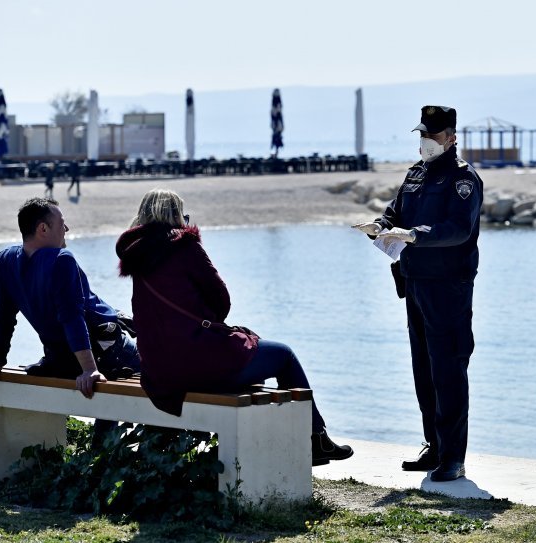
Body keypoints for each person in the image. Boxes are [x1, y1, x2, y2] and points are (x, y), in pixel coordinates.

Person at [115, 189, 353, 466]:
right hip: (198, 365)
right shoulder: (184, 246)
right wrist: (207, 318)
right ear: (176, 216)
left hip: (160, 373)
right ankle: (316, 438)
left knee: (250, 352)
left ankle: (306, 439)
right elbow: (221, 299)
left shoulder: (136, 257)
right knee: (283, 355)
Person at [353, 105, 483, 482]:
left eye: (433, 136)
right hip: (414, 282)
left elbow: (458, 228)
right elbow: (396, 212)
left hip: (448, 287)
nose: (425, 142)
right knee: (424, 369)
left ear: (451, 138)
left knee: (449, 369)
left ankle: (453, 457)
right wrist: (381, 225)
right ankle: (434, 445)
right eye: (422, 135)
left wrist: (416, 235)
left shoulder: (463, 180)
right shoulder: (415, 174)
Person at [0, 197, 140, 441]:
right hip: (105, 350)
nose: (66, 229)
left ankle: (102, 453)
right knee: (159, 377)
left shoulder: (6, 260)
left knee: (121, 327)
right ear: (43, 229)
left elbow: (2, 315)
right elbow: (71, 318)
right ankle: (105, 452)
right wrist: (90, 369)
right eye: (61, 223)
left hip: (59, 356)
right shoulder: (61, 259)